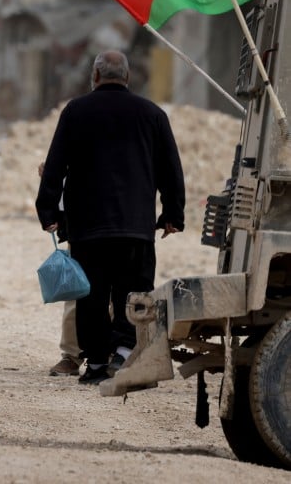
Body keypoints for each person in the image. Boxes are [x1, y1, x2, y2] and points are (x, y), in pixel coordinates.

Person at [35, 50, 184, 385]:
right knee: (133, 294)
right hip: (136, 227)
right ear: (127, 77)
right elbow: (171, 170)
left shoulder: (75, 111)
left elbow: (55, 166)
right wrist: (173, 214)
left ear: (96, 76)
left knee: (92, 296)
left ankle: (97, 364)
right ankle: (122, 356)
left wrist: (49, 212)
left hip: (89, 228)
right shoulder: (152, 114)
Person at [38, 161, 82, 377]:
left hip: (119, 215)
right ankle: (72, 355)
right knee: (76, 286)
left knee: (115, 291)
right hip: (81, 218)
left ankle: (114, 353)